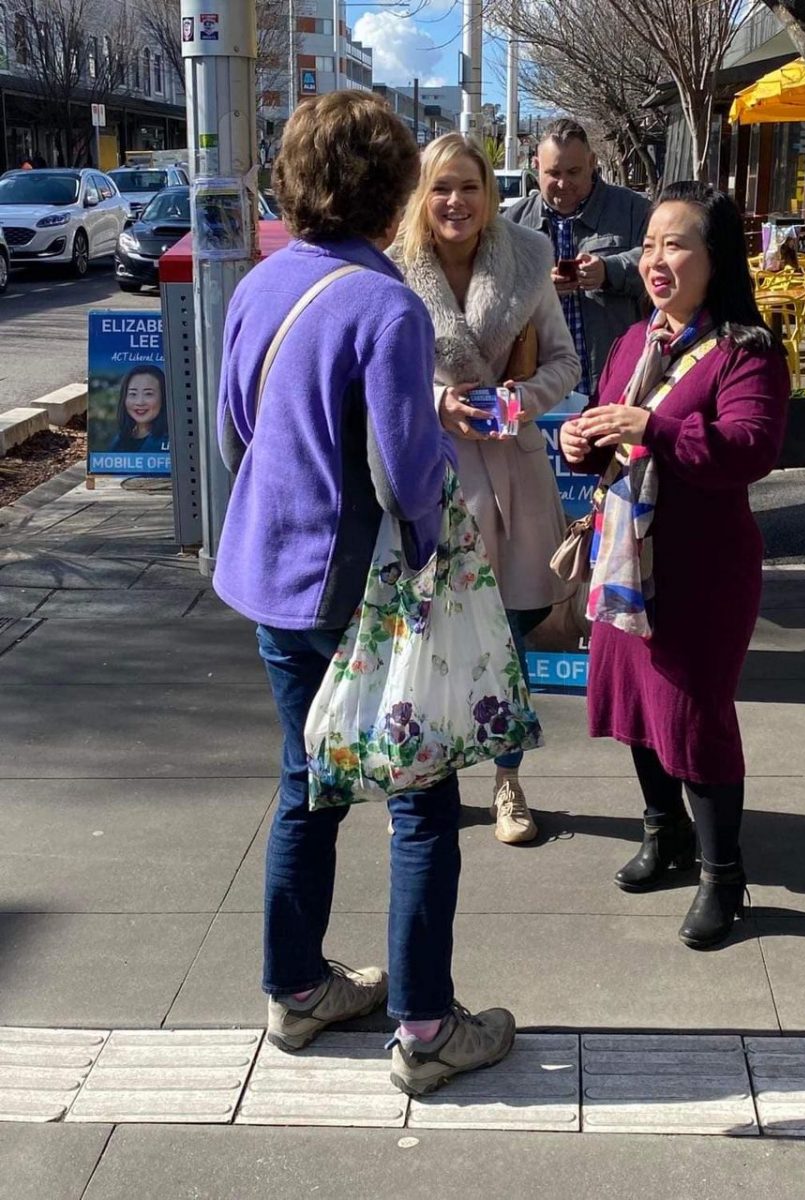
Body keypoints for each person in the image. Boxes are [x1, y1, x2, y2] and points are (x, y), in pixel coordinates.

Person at [213, 92, 515, 1097]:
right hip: (360, 595)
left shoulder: (260, 287)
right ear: (394, 194)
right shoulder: (384, 304)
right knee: (422, 802)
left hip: (270, 581)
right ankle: (426, 1031)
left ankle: (297, 991)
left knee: (308, 786)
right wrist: (434, 551)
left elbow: (234, 434)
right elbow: (403, 475)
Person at [560, 182, 789, 950]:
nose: (657, 259)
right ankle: (667, 837)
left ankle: (724, 875)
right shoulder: (633, 342)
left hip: (700, 572)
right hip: (628, 564)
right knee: (636, 708)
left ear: (714, 258)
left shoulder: (745, 351)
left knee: (694, 717)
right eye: (650, 244)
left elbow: (748, 453)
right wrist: (582, 441)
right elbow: (608, 431)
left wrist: (651, 428)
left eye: (676, 244)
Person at [390, 132, 580, 845]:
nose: (455, 201)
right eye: (441, 187)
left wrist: (520, 399)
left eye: (469, 186)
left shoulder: (529, 258)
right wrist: (437, 405)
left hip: (516, 469)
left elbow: (563, 361)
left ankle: (508, 780)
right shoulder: (393, 271)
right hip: (435, 471)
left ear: (489, 193)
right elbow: (379, 376)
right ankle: (425, 784)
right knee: (431, 634)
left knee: (510, 633)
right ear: (422, 196)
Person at [505, 119, 650, 405]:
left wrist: (610, 270)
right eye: (553, 173)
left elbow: (660, 262)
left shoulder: (634, 209)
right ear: (536, 166)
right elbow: (491, 293)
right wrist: (538, 288)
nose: (563, 183)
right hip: (539, 388)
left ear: (592, 162)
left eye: (573, 172)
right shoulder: (512, 223)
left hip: (617, 381)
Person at [108, 366, 168, 452]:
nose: (139, 402)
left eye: (148, 394)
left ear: (163, 397)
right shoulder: (118, 441)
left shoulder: (171, 441)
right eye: (133, 394)